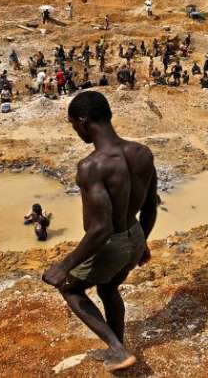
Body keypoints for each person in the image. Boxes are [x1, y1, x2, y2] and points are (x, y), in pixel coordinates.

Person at [42, 91, 157, 373]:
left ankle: (116, 349)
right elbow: (150, 206)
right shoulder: (142, 153)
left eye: (73, 124)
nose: (75, 130)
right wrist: (142, 242)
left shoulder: (91, 166)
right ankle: (118, 349)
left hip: (110, 245)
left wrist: (64, 266)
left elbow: (101, 229)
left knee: (70, 289)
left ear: (83, 121)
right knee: (108, 288)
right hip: (134, 235)